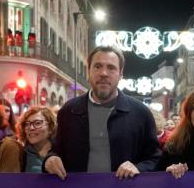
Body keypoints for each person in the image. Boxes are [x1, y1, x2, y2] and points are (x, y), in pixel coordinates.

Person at [43, 45, 161, 180]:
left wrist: (138, 168)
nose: (103, 73)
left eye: (111, 68)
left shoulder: (141, 113)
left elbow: (155, 158)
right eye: (97, 66)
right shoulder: (68, 111)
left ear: (120, 74)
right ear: (88, 71)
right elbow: (56, 150)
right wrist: (50, 159)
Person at [17, 106, 56, 173]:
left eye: (37, 123)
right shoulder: (20, 154)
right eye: (27, 124)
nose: (31, 128)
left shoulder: (62, 152)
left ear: (50, 127)